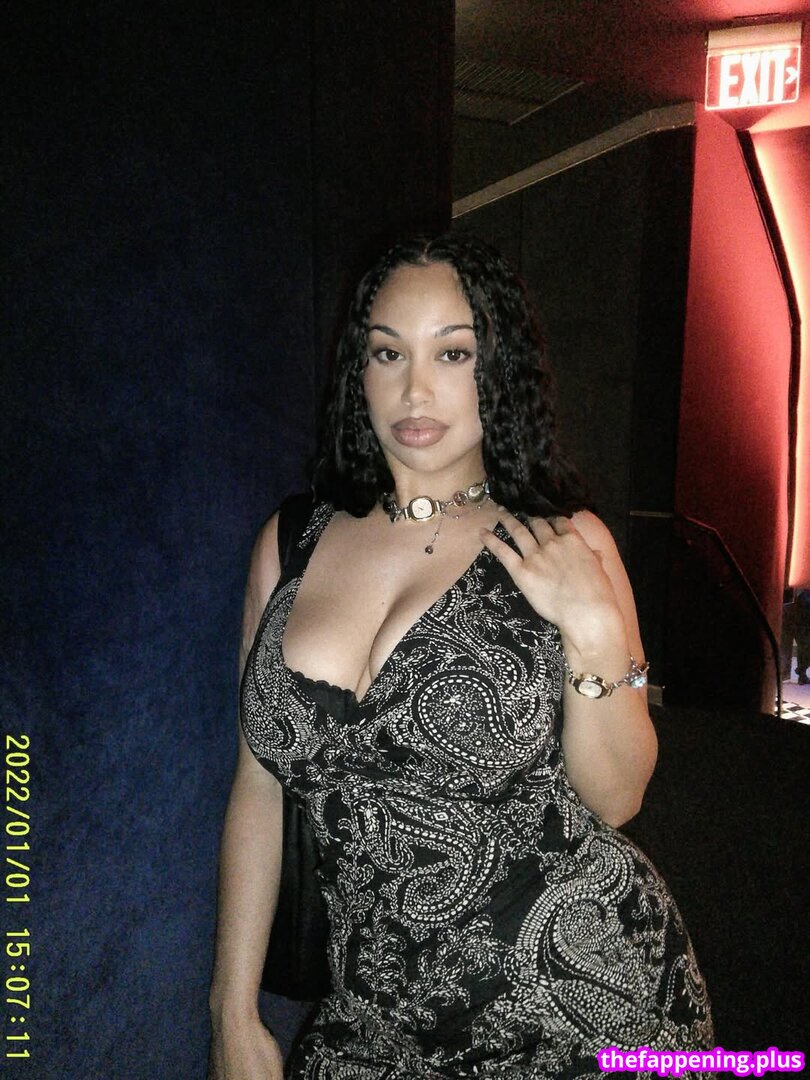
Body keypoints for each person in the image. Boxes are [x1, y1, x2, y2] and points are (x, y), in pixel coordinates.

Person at [207, 234, 714, 1078]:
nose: (415, 389)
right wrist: (231, 1009)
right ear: (358, 372)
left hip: (579, 1004)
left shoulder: (562, 542)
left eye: (452, 353)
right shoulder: (291, 542)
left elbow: (619, 797)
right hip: (373, 1022)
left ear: (498, 370)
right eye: (387, 353)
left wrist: (592, 627)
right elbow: (258, 785)